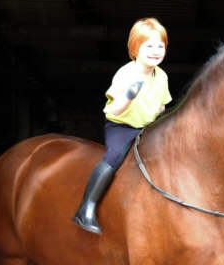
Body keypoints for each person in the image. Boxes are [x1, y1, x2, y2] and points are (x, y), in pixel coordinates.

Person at [72, 18, 172, 235]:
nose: (155, 51)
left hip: (147, 128)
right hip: (122, 127)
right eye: (149, 46)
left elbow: (162, 104)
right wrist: (129, 96)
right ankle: (86, 208)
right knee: (116, 155)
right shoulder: (127, 74)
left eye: (160, 46)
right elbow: (114, 110)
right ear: (136, 48)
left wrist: (159, 114)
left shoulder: (161, 76)